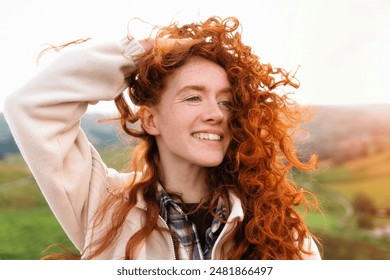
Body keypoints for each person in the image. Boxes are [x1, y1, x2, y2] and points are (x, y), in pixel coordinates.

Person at [4, 16, 321, 260]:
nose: (217, 114)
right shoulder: (104, 204)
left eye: (226, 101)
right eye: (193, 98)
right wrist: (141, 51)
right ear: (151, 119)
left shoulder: (280, 229)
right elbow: (31, 106)